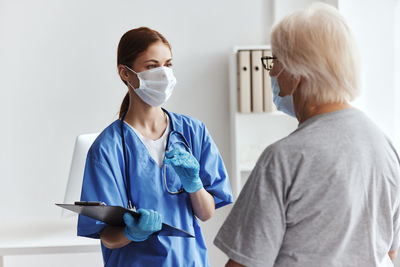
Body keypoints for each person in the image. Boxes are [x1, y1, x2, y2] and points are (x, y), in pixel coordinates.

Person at [214, 3, 400, 267]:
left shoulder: (284, 159)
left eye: (274, 60)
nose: (269, 71)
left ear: (296, 71)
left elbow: (245, 264)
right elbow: (387, 252)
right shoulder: (384, 146)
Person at [77, 27, 233, 266]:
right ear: (125, 73)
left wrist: (194, 185)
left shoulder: (193, 132)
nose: (163, 74)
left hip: (188, 261)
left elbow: (206, 213)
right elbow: (107, 236)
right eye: (151, 66)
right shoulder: (107, 149)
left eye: (168, 65)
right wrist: (131, 232)